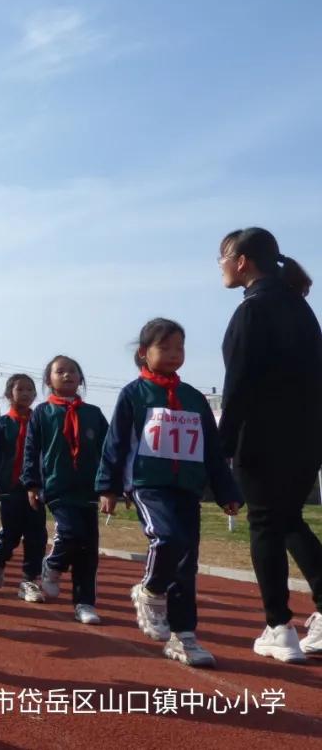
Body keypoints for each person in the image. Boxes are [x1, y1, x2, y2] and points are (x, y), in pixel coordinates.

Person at [97, 318, 243, 666]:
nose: (175, 353)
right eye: (166, 347)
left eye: (181, 347)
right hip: (149, 484)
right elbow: (115, 442)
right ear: (144, 353)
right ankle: (149, 590)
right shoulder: (134, 394)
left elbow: (212, 449)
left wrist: (226, 492)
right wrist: (109, 486)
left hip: (187, 487)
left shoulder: (194, 398)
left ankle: (184, 635)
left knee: (186, 561)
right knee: (166, 538)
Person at [218, 227, 322, 660]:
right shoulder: (302, 310)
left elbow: (238, 385)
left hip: (260, 439)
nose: (220, 265)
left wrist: (222, 445)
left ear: (242, 261)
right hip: (307, 439)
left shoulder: (252, 311)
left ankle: (279, 626)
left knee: (265, 524)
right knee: (289, 521)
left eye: (223, 257)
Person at [21, 355, 108, 625]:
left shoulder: (93, 414)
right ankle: (53, 564)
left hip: (89, 489)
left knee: (88, 548)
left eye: (73, 371)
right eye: (61, 371)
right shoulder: (42, 414)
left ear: (80, 379)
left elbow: (109, 451)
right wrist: (32, 483)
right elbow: (31, 451)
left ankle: (85, 603)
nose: (68, 375)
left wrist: (112, 485)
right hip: (57, 486)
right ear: (49, 380)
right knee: (70, 533)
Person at [0, 373, 46, 603]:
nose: (25, 394)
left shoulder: (41, 421)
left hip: (36, 488)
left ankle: (30, 580)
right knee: (11, 535)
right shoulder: (4, 424)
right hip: (10, 488)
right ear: (9, 394)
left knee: (36, 535)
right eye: (20, 390)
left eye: (30, 390)